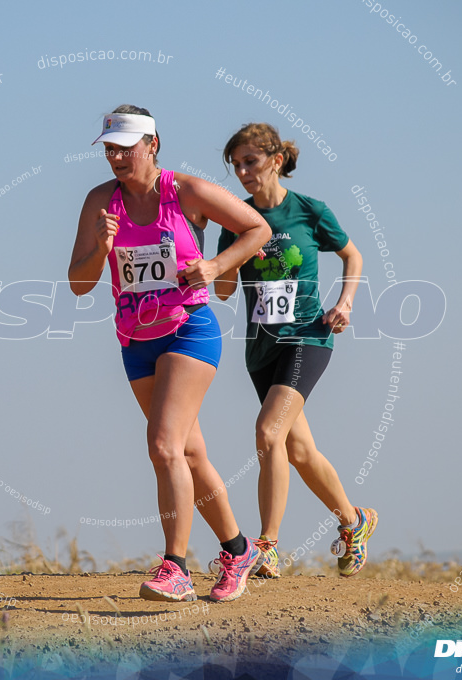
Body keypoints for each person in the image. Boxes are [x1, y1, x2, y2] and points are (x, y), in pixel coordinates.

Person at [68, 105, 271, 602]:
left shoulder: (185, 192)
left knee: (163, 445)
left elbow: (257, 229)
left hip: (188, 330)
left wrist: (215, 264)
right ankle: (239, 550)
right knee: (189, 453)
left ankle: (174, 566)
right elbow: (78, 284)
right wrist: (100, 247)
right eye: (110, 148)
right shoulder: (100, 201)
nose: (116, 156)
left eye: (126, 147)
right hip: (135, 340)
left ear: (152, 144)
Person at [215, 122, 377, 578]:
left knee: (268, 433)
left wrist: (345, 302)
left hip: (307, 335)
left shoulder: (309, 211)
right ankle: (354, 521)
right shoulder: (237, 219)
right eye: (237, 165)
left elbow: (353, 255)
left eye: (251, 161)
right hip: (261, 347)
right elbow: (225, 291)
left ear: (276, 161)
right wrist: (240, 249)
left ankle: (265, 546)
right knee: (299, 450)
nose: (243, 172)